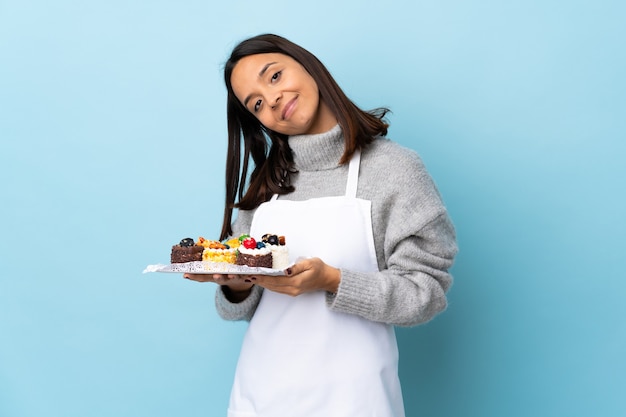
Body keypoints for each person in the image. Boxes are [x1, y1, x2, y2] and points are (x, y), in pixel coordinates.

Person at [183, 33, 458, 417]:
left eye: (274, 76)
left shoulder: (395, 170)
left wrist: (332, 280)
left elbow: (426, 294)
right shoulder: (266, 185)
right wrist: (233, 282)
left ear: (306, 64)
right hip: (260, 397)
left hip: (355, 402)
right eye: (257, 103)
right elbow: (236, 310)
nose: (273, 99)